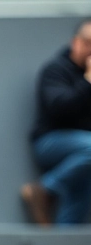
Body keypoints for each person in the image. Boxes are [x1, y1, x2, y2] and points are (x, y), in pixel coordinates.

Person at [23, 18, 91, 225]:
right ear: (75, 42)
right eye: (88, 43)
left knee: (81, 191)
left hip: (84, 149)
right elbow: (60, 109)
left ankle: (64, 239)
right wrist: (88, 82)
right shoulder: (55, 70)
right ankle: (45, 189)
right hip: (51, 141)